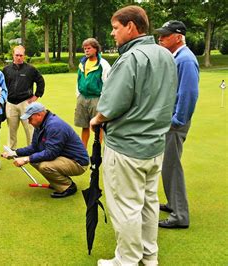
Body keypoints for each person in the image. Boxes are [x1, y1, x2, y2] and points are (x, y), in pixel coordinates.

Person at [89, 6, 177, 266]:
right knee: (149, 203)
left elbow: (109, 106)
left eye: (116, 27)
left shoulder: (130, 58)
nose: (113, 33)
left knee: (126, 207)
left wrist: (96, 119)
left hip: (127, 147)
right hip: (155, 145)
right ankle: (149, 257)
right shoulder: (165, 55)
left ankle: (126, 260)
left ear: (131, 26)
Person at [156, 20, 199, 229]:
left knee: (172, 167)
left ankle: (180, 215)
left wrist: (176, 121)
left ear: (178, 36)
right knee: (168, 166)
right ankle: (174, 204)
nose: (160, 38)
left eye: (165, 35)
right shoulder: (178, 57)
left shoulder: (186, 60)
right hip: (170, 120)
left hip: (175, 123)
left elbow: (188, 94)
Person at [1, 102, 89, 198]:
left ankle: (68, 187)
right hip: (64, 157)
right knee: (35, 161)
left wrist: (26, 159)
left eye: (30, 119)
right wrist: (14, 153)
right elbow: (34, 147)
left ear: (39, 115)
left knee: (44, 166)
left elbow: (51, 153)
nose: (29, 122)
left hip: (78, 163)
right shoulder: (40, 125)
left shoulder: (54, 126)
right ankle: (57, 182)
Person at [2, 45, 45, 150]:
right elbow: (1, 85)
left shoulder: (30, 69)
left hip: (26, 103)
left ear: (24, 56)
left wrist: (36, 96)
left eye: (21, 55)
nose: (19, 57)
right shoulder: (6, 70)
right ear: (13, 55)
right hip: (11, 103)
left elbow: (40, 81)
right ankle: (11, 150)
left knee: (30, 128)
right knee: (11, 129)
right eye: (17, 55)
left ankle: (32, 148)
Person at [74, 38, 111, 148]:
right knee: (84, 126)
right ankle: (83, 151)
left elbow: (107, 82)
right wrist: (78, 95)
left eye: (89, 48)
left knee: (97, 126)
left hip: (96, 98)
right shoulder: (82, 63)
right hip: (82, 98)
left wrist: (103, 100)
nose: (86, 51)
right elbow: (78, 80)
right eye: (85, 49)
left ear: (96, 49)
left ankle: (97, 149)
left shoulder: (103, 64)